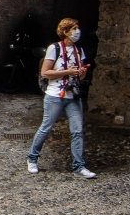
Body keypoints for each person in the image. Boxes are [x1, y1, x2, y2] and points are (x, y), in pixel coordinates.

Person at [27, 17, 96, 178]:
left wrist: (81, 73)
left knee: (77, 130)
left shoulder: (79, 51)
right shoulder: (54, 49)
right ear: (65, 32)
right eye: (74, 28)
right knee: (46, 128)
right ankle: (32, 158)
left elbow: (79, 77)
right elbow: (45, 73)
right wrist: (68, 72)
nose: (77, 31)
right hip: (54, 95)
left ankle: (79, 167)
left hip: (73, 96)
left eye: (77, 28)